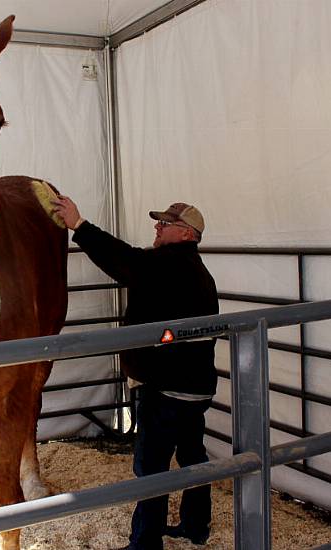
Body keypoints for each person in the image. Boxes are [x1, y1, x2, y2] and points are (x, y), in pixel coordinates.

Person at [52, 197, 219, 550]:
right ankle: (195, 525)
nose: (157, 227)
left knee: (151, 465)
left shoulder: (170, 265)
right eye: (158, 222)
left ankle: (145, 542)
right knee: (192, 455)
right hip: (196, 385)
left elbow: (124, 261)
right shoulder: (196, 270)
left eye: (165, 224)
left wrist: (79, 226)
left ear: (186, 233)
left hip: (167, 388)